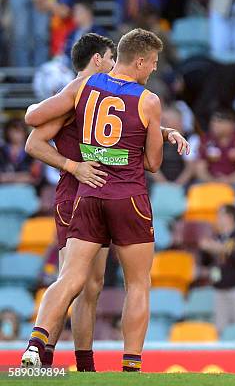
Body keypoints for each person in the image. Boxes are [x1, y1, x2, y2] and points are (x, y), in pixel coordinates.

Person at [20, 28, 165, 372]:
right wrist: (142, 144)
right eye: (154, 63)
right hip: (127, 195)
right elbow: (154, 163)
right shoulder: (148, 99)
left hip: (86, 193)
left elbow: (33, 118)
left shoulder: (83, 87)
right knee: (138, 283)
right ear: (141, 61)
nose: (155, 69)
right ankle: (130, 368)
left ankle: (36, 343)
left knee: (71, 278)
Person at [24, 33, 115, 371]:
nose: (113, 65)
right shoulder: (73, 94)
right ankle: (40, 350)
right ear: (96, 60)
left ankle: (80, 365)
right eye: (110, 58)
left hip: (100, 192)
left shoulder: (102, 94)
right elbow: (33, 141)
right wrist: (72, 166)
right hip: (75, 192)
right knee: (72, 279)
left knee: (92, 284)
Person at [199, 205, 235, 333]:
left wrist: (220, 249)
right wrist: (205, 250)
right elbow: (206, 263)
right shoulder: (217, 237)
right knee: (220, 327)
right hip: (220, 288)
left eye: (221, 216)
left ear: (230, 218)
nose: (218, 219)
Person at [194, 110, 235, 185]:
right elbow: (199, 168)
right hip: (210, 182)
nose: (214, 125)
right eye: (213, 121)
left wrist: (229, 180)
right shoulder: (206, 140)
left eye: (219, 121)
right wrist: (213, 181)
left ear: (231, 124)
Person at [0, 119, 40, 185]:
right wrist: (22, 177)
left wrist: (8, 177)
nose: (16, 134)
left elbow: (33, 178)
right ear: (7, 132)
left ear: (25, 132)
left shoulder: (32, 151)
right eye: (13, 131)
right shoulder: (1, 151)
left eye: (19, 131)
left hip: (26, 189)